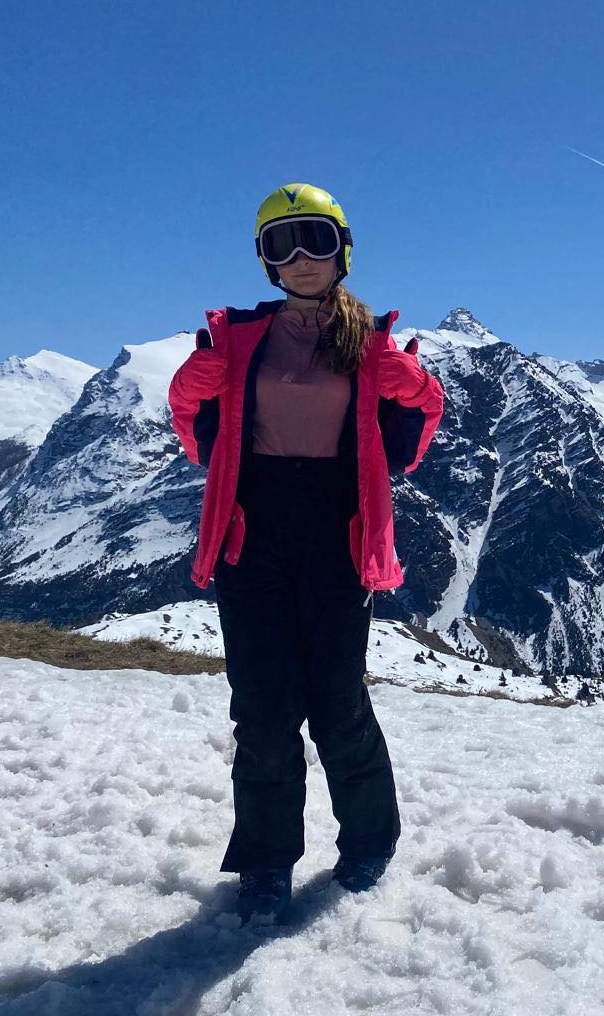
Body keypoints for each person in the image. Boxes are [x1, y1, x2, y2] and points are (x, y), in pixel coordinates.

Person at [166, 182, 446, 926]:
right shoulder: (235, 340)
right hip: (252, 531)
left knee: (337, 699)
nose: (299, 258)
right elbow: (198, 440)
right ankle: (265, 861)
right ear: (265, 260)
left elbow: (412, 440)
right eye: (281, 243)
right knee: (262, 706)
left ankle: (370, 841)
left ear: (342, 250)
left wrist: (414, 384)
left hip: (336, 530)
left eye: (314, 239)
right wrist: (189, 390)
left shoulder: (371, 342)